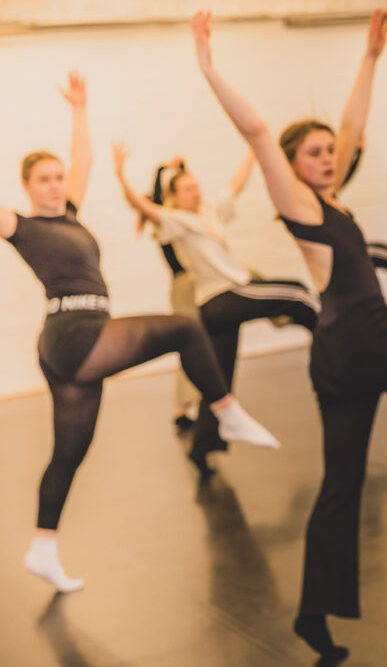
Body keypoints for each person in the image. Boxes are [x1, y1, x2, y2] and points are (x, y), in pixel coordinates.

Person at [191, 9, 387, 661]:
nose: (329, 157)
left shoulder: (330, 198)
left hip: (335, 360)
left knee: (341, 488)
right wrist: (208, 67)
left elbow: (353, 125)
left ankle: (313, 617)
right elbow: (257, 131)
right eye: (315, 153)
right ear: (293, 166)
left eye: (331, 151)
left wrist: (371, 55)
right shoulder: (299, 204)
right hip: (366, 345)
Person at [0, 72, 279, 594]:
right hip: (72, 332)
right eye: (44, 180)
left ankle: (42, 548)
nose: (55, 185)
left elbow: (83, 162)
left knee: (69, 453)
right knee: (185, 328)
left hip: (79, 339)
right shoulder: (21, 226)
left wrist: (79, 110)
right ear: (26, 186)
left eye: (58, 177)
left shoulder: (70, 215)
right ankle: (227, 413)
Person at [113, 144, 321, 474]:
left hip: (224, 302)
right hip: (221, 297)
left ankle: (204, 443)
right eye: (187, 189)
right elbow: (144, 205)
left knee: (219, 376)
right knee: (296, 294)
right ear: (174, 197)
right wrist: (121, 177)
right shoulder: (176, 221)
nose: (195, 192)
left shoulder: (210, 211)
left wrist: (254, 147)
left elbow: (236, 185)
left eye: (196, 186)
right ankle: (333, 351)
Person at [149, 157, 202, 432]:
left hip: (199, 283)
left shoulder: (185, 220)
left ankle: (192, 404)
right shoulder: (165, 224)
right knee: (191, 344)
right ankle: (183, 407)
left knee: (202, 343)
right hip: (183, 288)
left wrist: (181, 170)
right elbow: (160, 198)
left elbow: (182, 189)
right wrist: (161, 170)